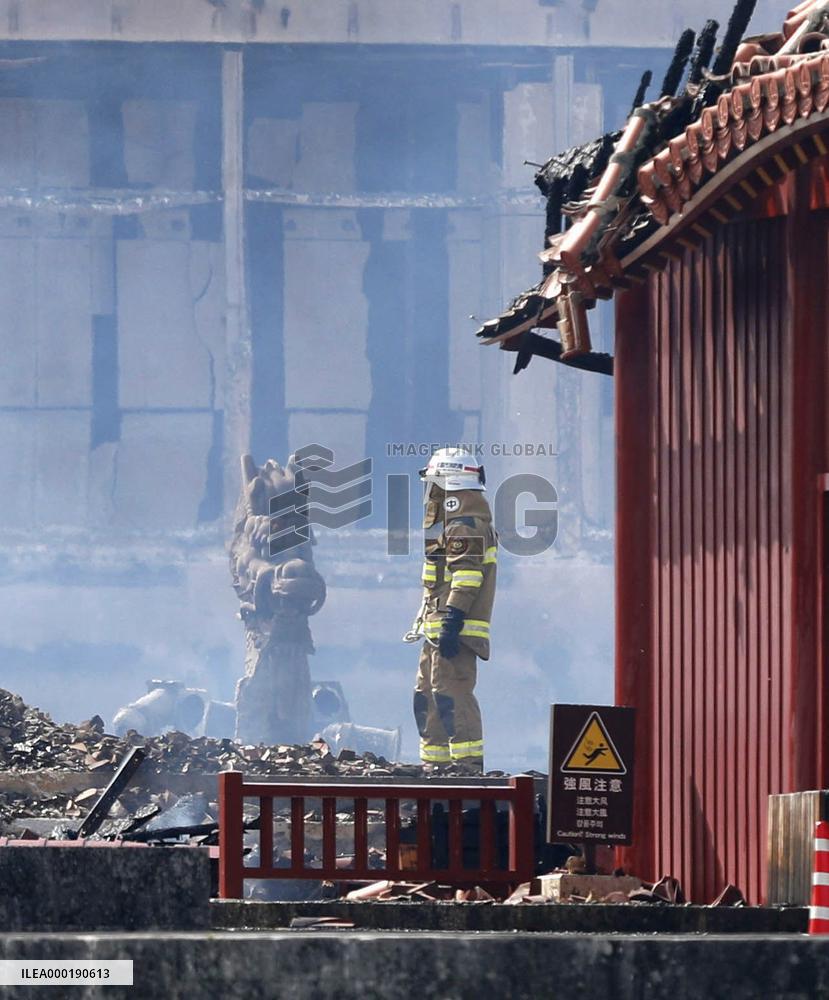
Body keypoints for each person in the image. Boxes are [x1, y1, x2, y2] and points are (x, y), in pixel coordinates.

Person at [406, 447, 497, 773]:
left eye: (436, 483)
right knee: (427, 698)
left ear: (451, 484)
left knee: (452, 697)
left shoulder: (465, 526)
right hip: (436, 630)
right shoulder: (451, 526)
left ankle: (467, 768)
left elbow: (467, 578)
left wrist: (452, 621)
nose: (431, 491)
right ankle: (435, 767)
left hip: (454, 632)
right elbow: (438, 582)